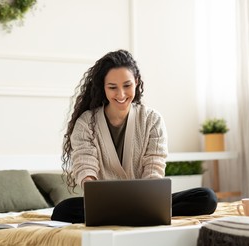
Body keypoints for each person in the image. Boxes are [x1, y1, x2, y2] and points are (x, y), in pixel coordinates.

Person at [52, 49, 217, 223]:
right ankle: (135, 215)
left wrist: (148, 200)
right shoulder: (86, 123)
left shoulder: (152, 119)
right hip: (105, 203)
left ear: (136, 83)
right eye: (112, 87)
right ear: (103, 87)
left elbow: (154, 167)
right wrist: (94, 192)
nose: (121, 94)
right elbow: (85, 166)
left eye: (127, 85)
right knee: (63, 210)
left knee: (207, 197)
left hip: (146, 201)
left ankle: (128, 214)